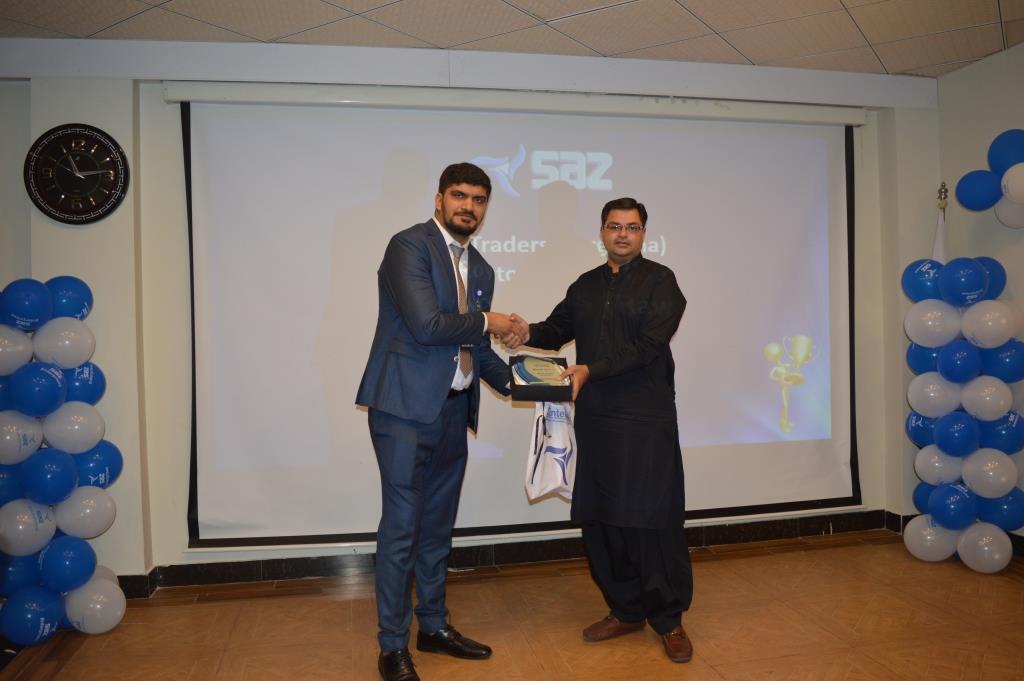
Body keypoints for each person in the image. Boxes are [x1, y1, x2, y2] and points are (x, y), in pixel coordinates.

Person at [356, 162, 523, 681]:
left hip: (453, 411)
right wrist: (491, 321)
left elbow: (476, 347)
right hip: (404, 410)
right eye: (459, 196)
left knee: (437, 529)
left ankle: (432, 626)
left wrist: (527, 385)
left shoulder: (483, 269)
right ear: (439, 199)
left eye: (478, 199)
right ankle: (392, 646)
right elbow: (428, 325)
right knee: (402, 530)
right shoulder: (409, 246)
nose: (468, 206)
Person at [509, 197, 693, 663]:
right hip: (596, 418)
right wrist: (521, 330)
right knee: (601, 517)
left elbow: (649, 345)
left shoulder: (662, 282)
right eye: (614, 226)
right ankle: (626, 609)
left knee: (650, 520)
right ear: (602, 231)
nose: (622, 234)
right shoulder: (585, 285)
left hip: (645, 418)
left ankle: (669, 620)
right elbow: (555, 329)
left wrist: (591, 368)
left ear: (643, 233)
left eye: (632, 227)